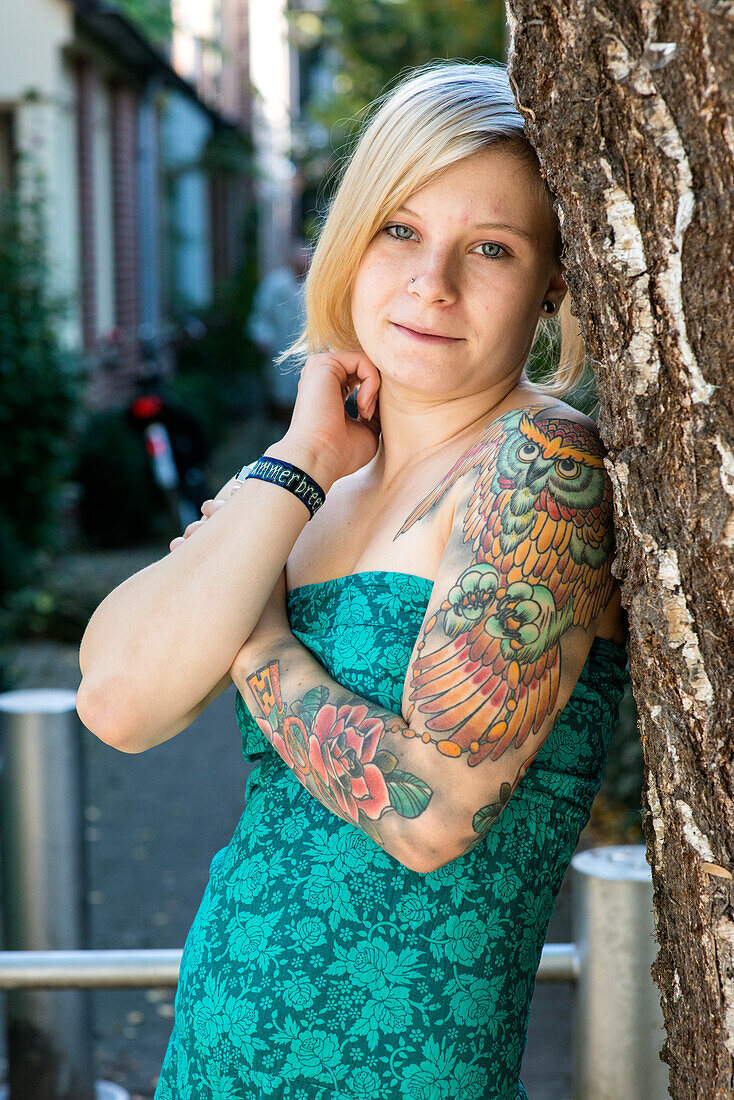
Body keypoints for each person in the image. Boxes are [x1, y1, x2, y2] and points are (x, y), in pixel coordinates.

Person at [77, 60, 630, 1100]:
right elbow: (117, 703)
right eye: (400, 230)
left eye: (492, 249)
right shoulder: (310, 483)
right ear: (353, 235)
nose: (432, 282)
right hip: (214, 1054)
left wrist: (258, 642)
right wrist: (295, 462)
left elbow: (432, 813)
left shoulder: (541, 466)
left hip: (402, 1072)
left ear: (552, 282)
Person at [246, 241, 310, 424]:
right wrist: (264, 339)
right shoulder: (274, 284)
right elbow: (260, 316)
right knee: (281, 396)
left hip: (310, 350)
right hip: (281, 348)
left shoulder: (317, 282)